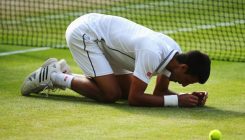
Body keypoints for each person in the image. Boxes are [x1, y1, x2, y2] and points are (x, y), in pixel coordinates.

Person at [21, 13, 211, 107]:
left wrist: (189, 98)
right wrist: (178, 101)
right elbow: (135, 99)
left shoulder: (174, 54)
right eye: (187, 81)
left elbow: (159, 92)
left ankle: (61, 73)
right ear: (184, 67)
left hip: (105, 42)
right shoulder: (152, 53)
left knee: (123, 91)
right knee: (111, 94)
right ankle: (54, 76)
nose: (184, 85)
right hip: (85, 33)